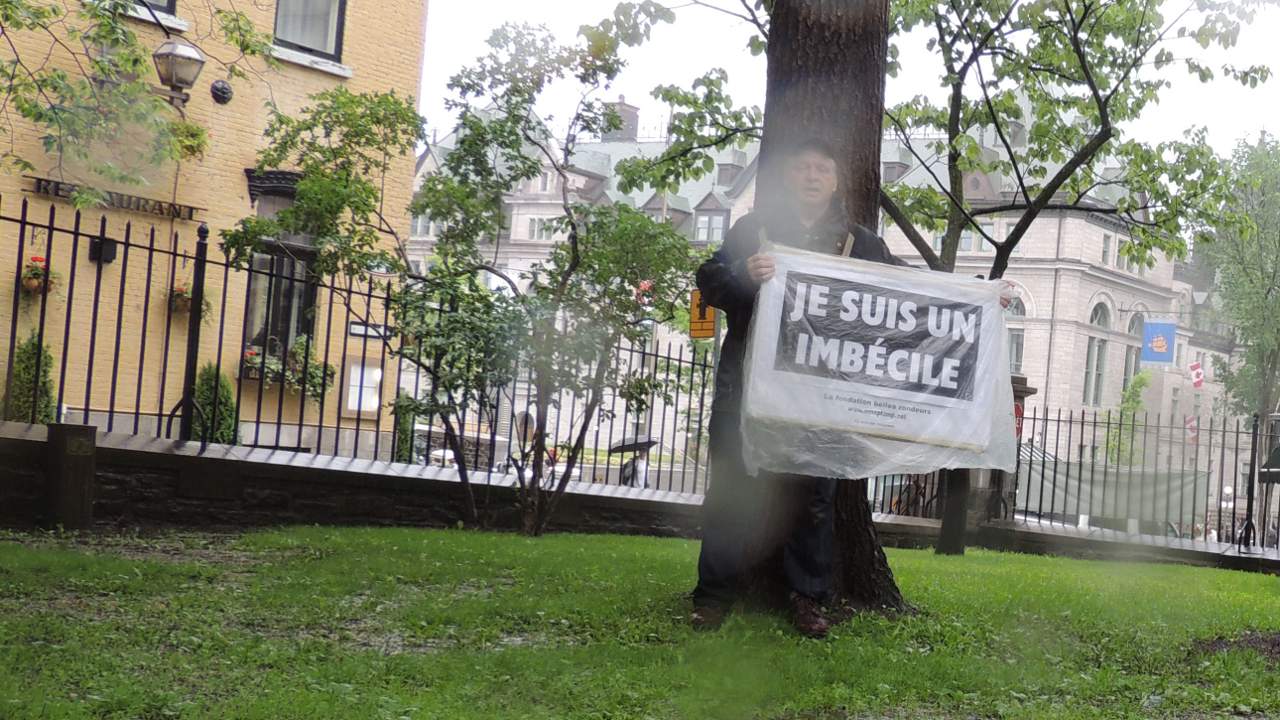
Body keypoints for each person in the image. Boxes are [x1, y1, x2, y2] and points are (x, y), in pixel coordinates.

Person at [690, 139, 908, 638]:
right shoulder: (755, 231)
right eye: (803, 167)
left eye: (822, 168)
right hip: (746, 389)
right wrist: (744, 274)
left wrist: (979, 296)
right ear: (790, 178)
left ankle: (807, 597)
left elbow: (907, 294)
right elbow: (710, 281)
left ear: (835, 181)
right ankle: (713, 596)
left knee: (812, 497)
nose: (812, 175)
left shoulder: (859, 242)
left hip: (818, 396)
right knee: (732, 491)